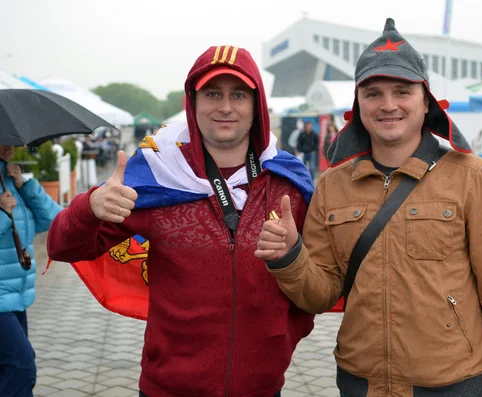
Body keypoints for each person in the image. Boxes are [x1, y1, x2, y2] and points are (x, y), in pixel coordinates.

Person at [255, 18, 482, 396]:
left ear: (426, 101)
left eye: (402, 91)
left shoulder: (471, 177)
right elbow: (321, 294)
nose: (388, 105)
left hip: (452, 384)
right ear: (357, 104)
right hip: (360, 383)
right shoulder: (332, 185)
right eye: (373, 93)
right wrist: (290, 257)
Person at [46, 45, 315, 397]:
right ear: (193, 102)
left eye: (238, 95)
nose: (225, 107)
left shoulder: (289, 182)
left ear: (256, 105)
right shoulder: (157, 174)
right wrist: (89, 206)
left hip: (263, 388)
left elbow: (318, 275)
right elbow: (62, 246)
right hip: (168, 388)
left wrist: (282, 337)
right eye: (212, 94)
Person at [0, 145, 62, 397]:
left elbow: (54, 219)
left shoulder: (12, 182)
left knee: (10, 366)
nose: (10, 146)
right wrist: (3, 213)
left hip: (16, 293)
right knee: (21, 365)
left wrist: (26, 186)